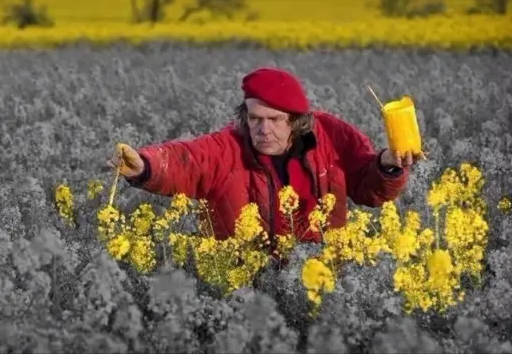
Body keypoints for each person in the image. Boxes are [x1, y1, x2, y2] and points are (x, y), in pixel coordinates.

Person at [107, 67, 420, 255]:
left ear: (295, 121)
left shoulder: (332, 135)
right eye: (254, 118)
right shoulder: (227, 147)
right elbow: (186, 161)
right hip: (246, 276)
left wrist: (388, 165)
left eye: (274, 119)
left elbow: (369, 187)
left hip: (323, 268)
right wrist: (145, 165)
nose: (263, 129)